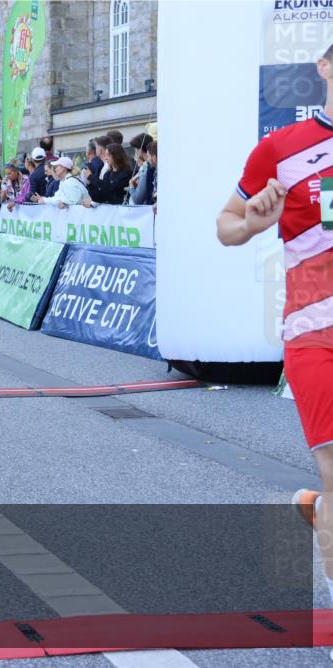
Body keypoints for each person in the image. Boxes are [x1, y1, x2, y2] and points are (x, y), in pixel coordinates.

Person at [217, 45, 333, 594]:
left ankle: (319, 509)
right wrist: (254, 224)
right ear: (325, 68)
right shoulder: (282, 148)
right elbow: (226, 225)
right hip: (315, 332)